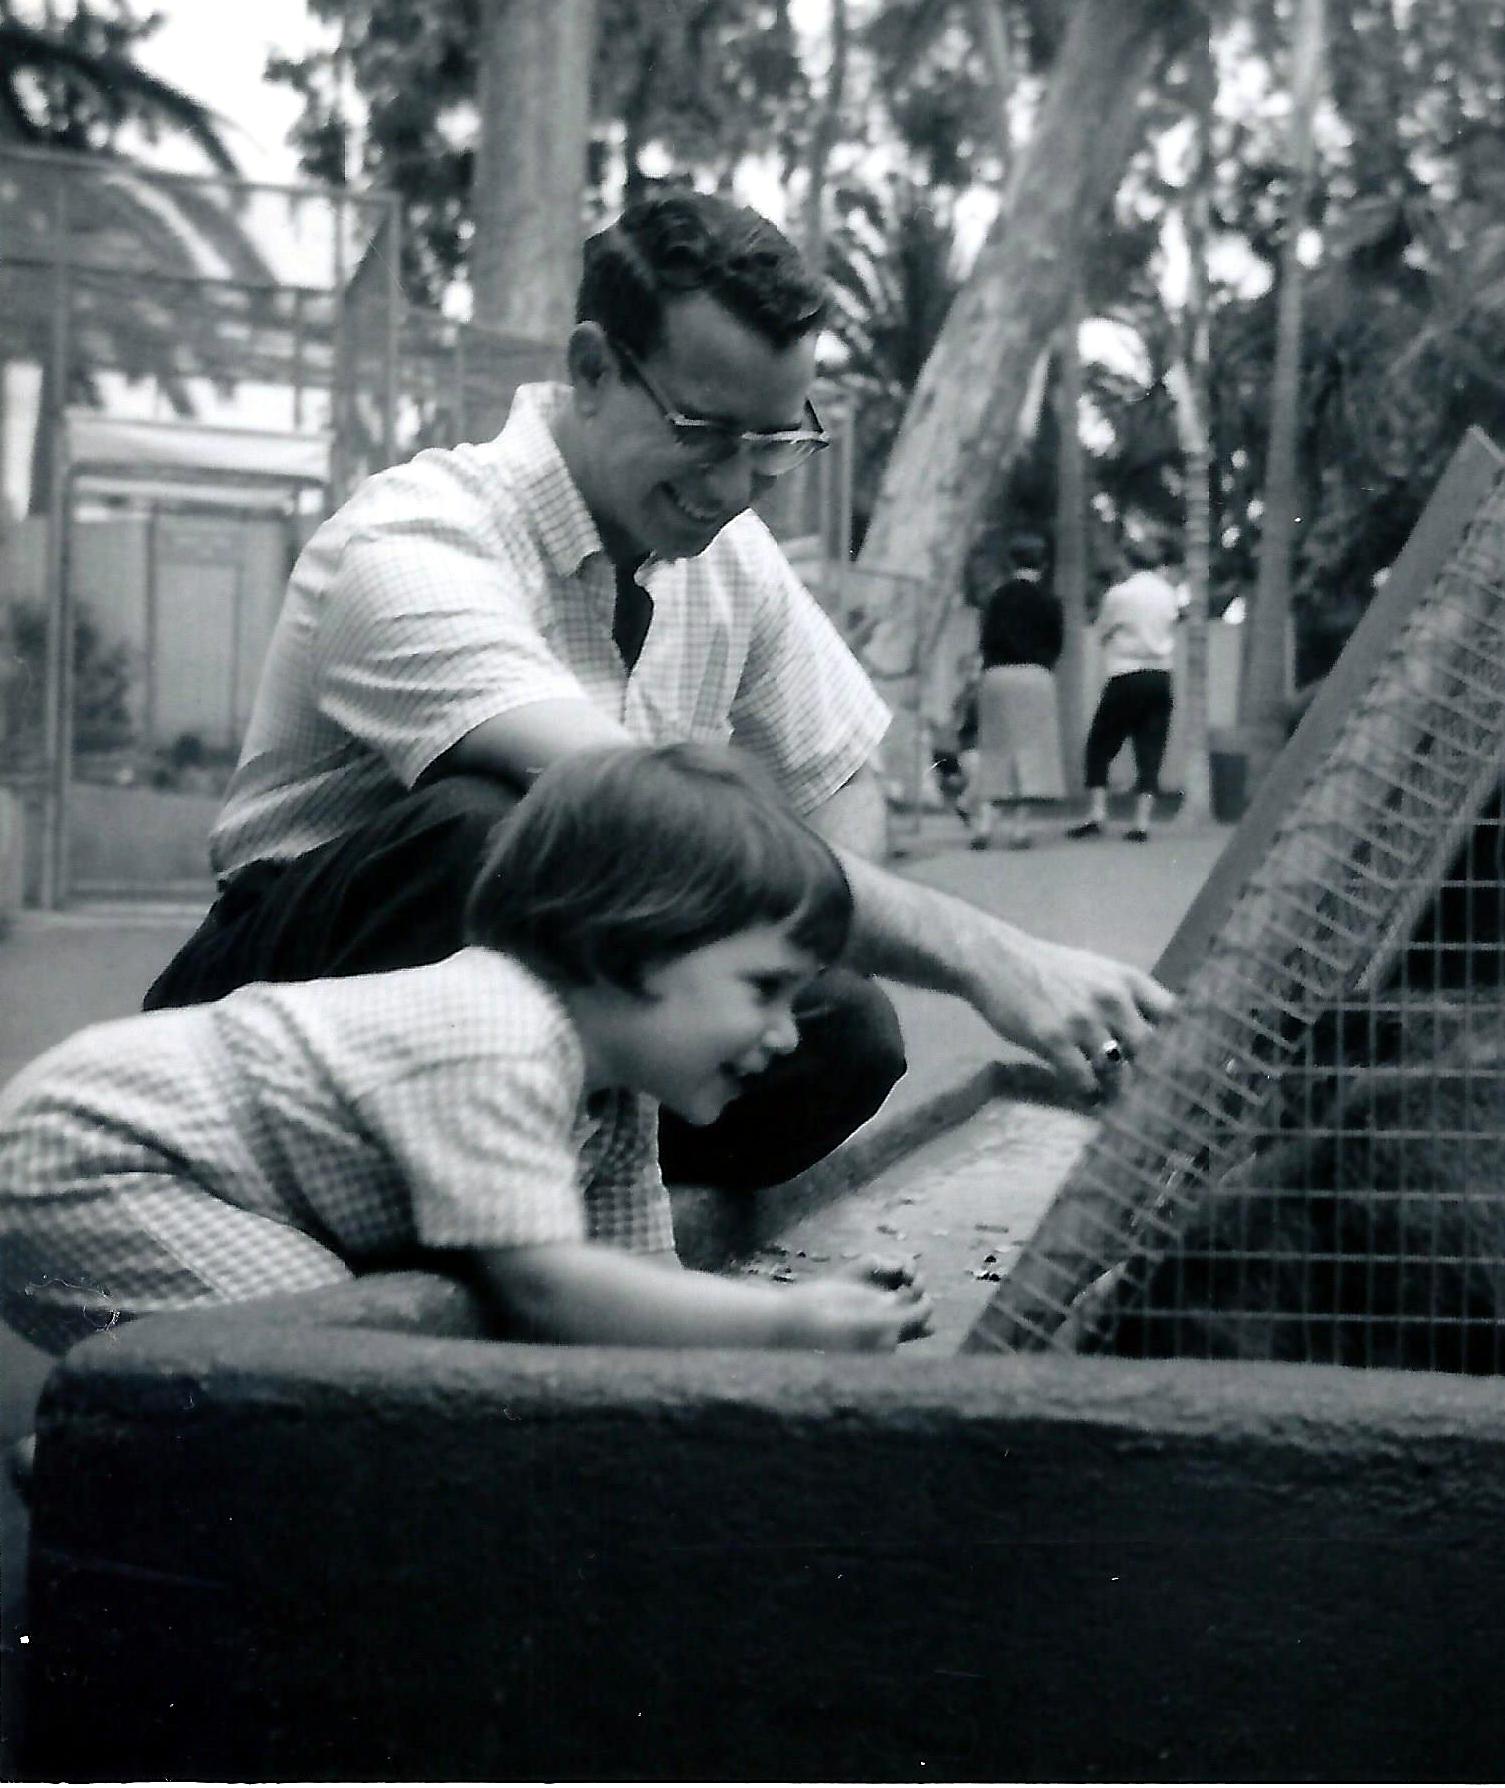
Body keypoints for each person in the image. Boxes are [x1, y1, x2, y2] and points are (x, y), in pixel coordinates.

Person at [144, 190, 1171, 1193]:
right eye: (702, 430)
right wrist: (992, 958)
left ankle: (568, 1214)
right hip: (281, 1004)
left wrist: (795, 955)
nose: (732, 486)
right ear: (593, 369)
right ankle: (419, 1231)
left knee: (838, 1023)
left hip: (545, 1022)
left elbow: (840, 766)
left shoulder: (731, 558)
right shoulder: (413, 542)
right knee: (517, 833)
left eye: (775, 442)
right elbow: (632, 814)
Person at [0, 744, 932, 1359]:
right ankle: (111, 1467)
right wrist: (780, 1326)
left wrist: (809, 1308)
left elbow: (636, 1288)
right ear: (623, 950)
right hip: (93, 1156)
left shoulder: (609, 1093)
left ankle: (126, 1449)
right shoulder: (500, 1039)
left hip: (177, 1170)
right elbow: (551, 1294)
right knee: (320, 1339)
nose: (786, 1030)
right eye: (762, 989)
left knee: (340, 1332)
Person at [1067, 549, 1186, 842]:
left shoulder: (1119, 594)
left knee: (1100, 744)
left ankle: (1097, 814)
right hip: (1160, 676)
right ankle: (1141, 823)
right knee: (1150, 749)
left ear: (1126, 562)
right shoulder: (1168, 594)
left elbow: (1102, 629)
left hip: (1125, 674)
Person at [967, 533, 1065, 851]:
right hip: (1036, 677)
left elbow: (984, 640)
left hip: (997, 676)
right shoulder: (1050, 601)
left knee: (994, 749)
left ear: (1011, 562)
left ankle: (984, 823)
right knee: (1032, 751)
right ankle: (1020, 829)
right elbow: (1056, 645)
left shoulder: (996, 598)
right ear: (1044, 563)